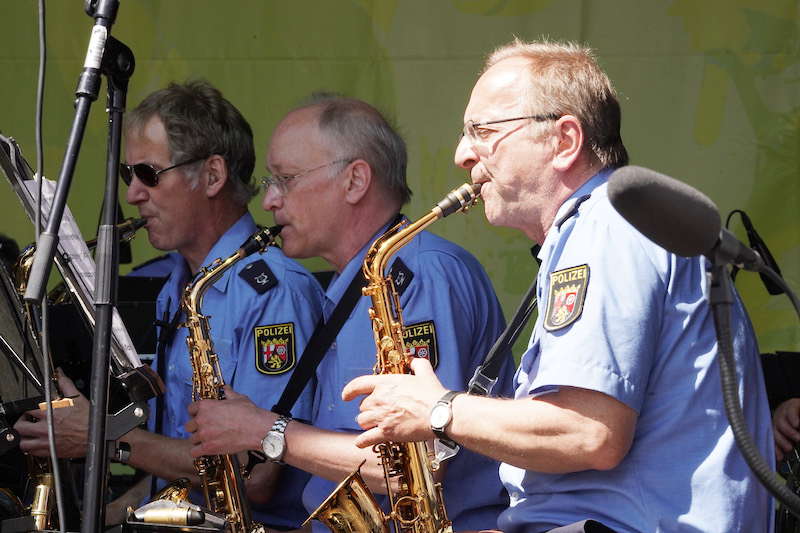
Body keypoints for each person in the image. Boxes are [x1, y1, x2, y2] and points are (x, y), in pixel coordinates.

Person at [341, 39, 775, 533]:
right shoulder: (598, 229)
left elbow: (588, 433)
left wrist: (437, 408)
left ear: (565, 140)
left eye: (483, 131)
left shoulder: (606, 227)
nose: (463, 154)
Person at [185, 95, 514, 532]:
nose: (270, 202)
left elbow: (415, 468)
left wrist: (266, 431)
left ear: (355, 181)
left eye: (285, 179)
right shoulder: (349, 285)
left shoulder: (422, 275)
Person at [14, 80, 324, 530]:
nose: (133, 194)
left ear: (213, 175)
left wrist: (101, 439)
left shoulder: (272, 292)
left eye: (149, 174)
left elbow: (253, 474)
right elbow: (182, 466)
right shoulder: (175, 285)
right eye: (128, 176)